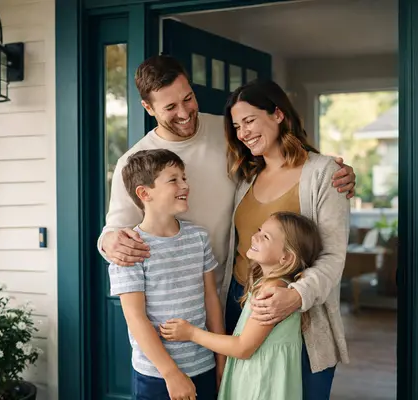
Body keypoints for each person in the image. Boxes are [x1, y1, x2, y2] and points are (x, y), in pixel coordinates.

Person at [97, 55, 357, 302]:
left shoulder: (229, 131)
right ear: (148, 107)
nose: (185, 113)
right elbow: (115, 229)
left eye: (188, 98)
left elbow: (279, 157)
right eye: (170, 107)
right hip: (175, 298)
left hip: (231, 289)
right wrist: (108, 241)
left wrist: (331, 173)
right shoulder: (134, 162)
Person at [220, 78, 350, 400]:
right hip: (241, 304)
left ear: (278, 114)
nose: (243, 132)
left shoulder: (324, 173)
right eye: (237, 126)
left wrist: (295, 296)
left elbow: (333, 256)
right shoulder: (244, 178)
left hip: (302, 313)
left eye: (250, 120)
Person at [160, 212, 323, 400]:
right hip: (258, 378)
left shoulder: (272, 293)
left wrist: (191, 333)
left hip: (261, 385)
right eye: (260, 230)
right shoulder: (266, 284)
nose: (255, 236)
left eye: (266, 236)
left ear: (286, 258)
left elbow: (242, 348)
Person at [107, 149, 225, 400]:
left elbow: (210, 298)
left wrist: (221, 360)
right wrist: (172, 374)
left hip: (204, 365)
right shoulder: (129, 250)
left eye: (184, 177)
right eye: (173, 179)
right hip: (157, 375)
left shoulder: (198, 237)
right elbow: (136, 318)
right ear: (144, 193)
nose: (185, 185)